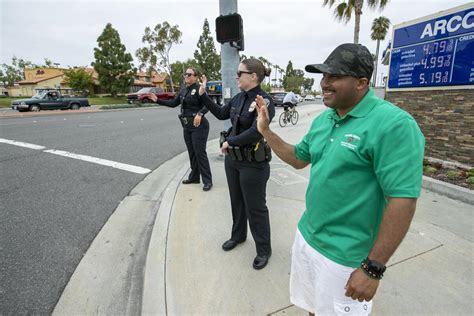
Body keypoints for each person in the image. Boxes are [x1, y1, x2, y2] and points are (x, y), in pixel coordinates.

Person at [255, 43, 425, 315]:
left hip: (345, 257)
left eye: (334, 76)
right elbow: (299, 158)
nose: (324, 83)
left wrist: (373, 267)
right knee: (312, 308)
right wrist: (265, 131)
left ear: (361, 82)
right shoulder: (325, 120)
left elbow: (402, 200)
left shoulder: (393, 124)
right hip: (308, 238)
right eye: (323, 76)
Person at [198, 58, 275, 270]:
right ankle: (238, 236)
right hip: (233, 161)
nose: (236, 76)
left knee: (256, 208)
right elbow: (222, 113)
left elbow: (256, 131)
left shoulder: (264, 101)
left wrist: (230, 141)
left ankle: (263, 249)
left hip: (253, 163)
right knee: (236, 202)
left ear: (253, 76)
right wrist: (204, 96)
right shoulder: (239, 98)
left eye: (240, 73)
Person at [150, 68, 213, 191]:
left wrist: (200, 114)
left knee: (200, 153)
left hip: (199, 127)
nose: (187, 76)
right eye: (185, 74)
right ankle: (194, 177)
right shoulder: (184, 89)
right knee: (192, 153)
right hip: (186, 126)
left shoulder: (199, 88)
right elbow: (174, 103)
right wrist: (158, 100)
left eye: (189, 74)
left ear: (195, 76)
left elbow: (207, 105)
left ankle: (207, 181)